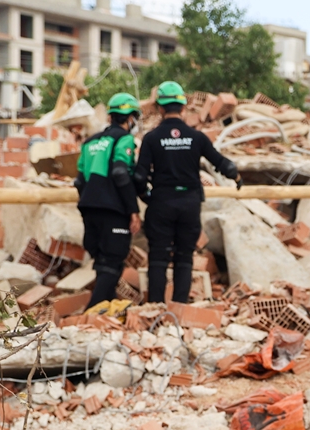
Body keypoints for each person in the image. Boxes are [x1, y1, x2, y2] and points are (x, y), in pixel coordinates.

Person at [134, 80, 241, 303]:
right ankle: (180, 307)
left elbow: (139, 178)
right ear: (183, 107)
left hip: (161, 203)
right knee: (184, 258)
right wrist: (237, 177)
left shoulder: (152, 139)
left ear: (161, 108)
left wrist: (147, 197)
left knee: (158, 258)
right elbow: (223, 164)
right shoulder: (197, 138)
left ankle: (155, 307)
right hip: (189, 204)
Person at [74, 93, 142, 308]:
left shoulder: (90, 142)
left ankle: (105, 314)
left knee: (102, 262)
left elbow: (79, 180)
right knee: (113, 263)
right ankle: (90, 314)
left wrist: (90, 200)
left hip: (89, 208)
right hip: (113, 210)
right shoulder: (124, 139)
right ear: (130, 118)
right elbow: (121, 173)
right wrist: (133, 210)